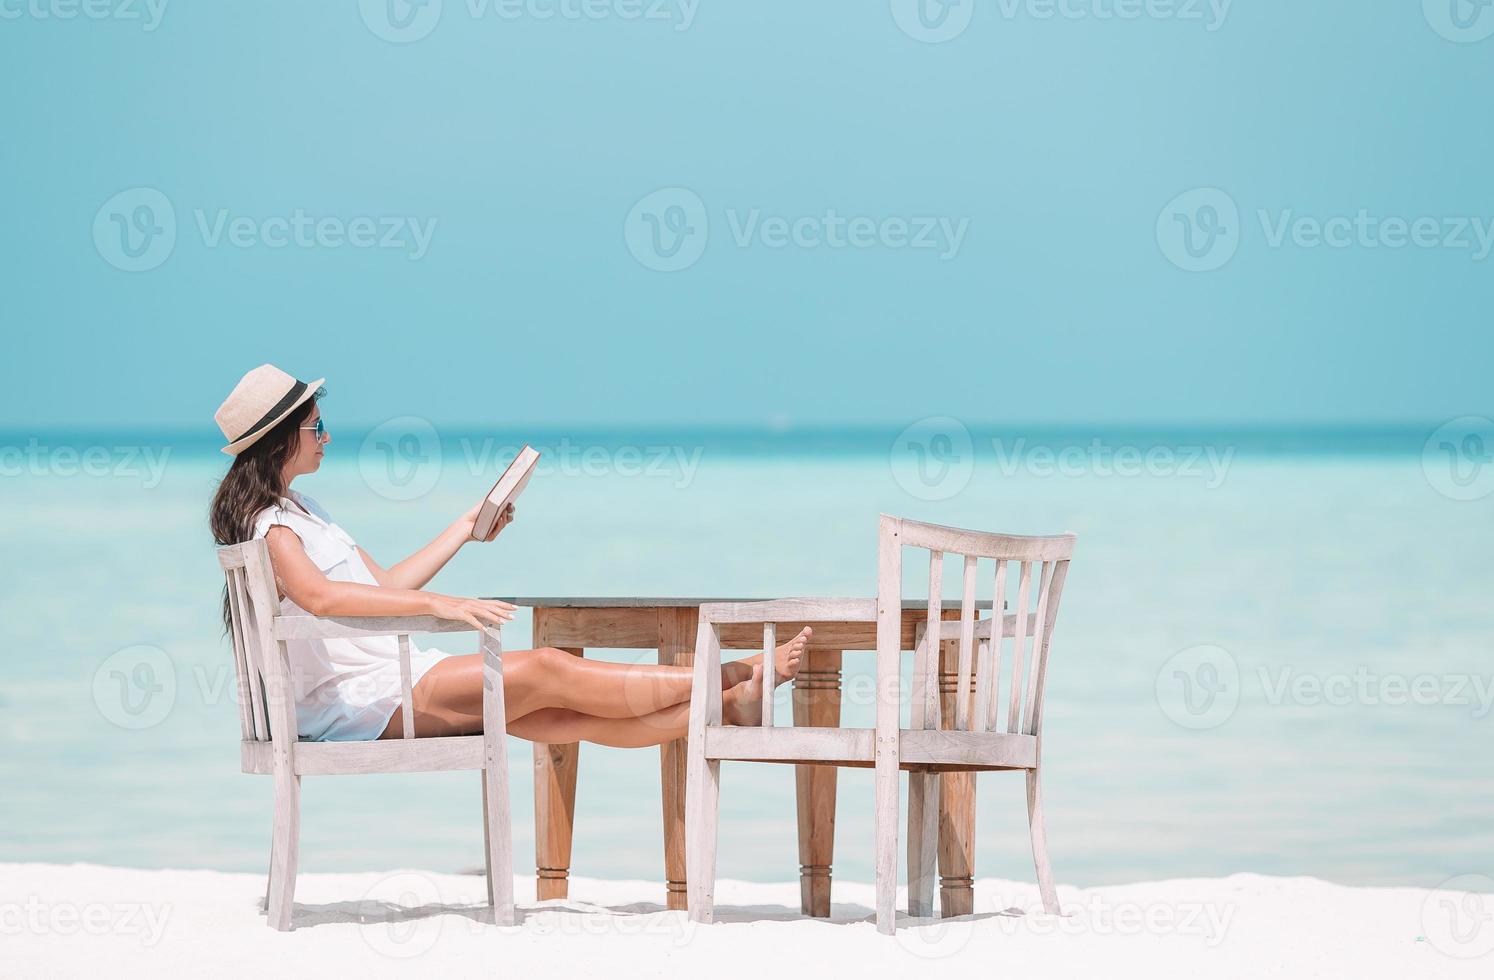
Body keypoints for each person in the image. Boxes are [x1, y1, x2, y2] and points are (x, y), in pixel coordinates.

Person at [208, 364, 808, 745]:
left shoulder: (305, 511)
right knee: (548, 668)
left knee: (558, 717)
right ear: (282, 437)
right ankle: (736, 674)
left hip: (387, 682)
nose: (327, 437)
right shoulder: (271, 526)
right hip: (361, 702)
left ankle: (732, 707)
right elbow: (321, 598)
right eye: (318, 426)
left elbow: (383, 583)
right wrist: (445, 607)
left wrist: (464, 529)